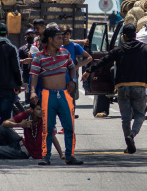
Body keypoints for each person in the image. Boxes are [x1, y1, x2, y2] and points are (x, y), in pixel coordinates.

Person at [82, 24, 147, 154]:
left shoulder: (119, 50)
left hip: (122, 88)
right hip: (139, 87)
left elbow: (103, 61)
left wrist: (89, 70)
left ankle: (129, 144)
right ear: (135, 34)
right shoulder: (145, 49)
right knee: (140, 114)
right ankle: (132, 135)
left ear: (124, 36)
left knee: (126, 118)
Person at [30, 25, 83, 165]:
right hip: (47, 95)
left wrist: (73, 80)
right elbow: (34, 77)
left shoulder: (65, 53)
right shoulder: (39, 57)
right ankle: (46, 157)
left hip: (64, 94)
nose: (62, 40)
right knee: (47, 128)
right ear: (50, 39)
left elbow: (72, 68)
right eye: (58, 37)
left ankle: (70, 156)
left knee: (69, 126)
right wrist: (33, 92)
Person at [0, 103, 64, 160]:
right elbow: (5, 123)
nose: (41, 112)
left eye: (43, 109)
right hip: (21, 142)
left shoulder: (46, 121)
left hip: (24, 152)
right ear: (31, 110)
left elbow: (53, 138)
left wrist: (61, 154)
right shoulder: (26, 115)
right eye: (38, 109)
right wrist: (19, 124)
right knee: (3, 128)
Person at [61, 26, 93, 120]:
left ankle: (69, 123)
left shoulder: (75, 46)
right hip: (58, 78)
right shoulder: (57, 46)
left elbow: (89, 57)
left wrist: (76, 67)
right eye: (63, 34)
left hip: (71, 78)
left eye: (67, 34)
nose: (65, 37)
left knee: (71, 100)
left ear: (70, 35)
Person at [18, 28, 37, 104]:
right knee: (28, 92)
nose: (31, 37)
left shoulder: (38, 47)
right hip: (27, 74)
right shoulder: (22, 49)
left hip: (37, 73)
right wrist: (24, 61)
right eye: (29, 35)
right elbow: (17, 61)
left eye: (32, 35)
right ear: (25, 37)